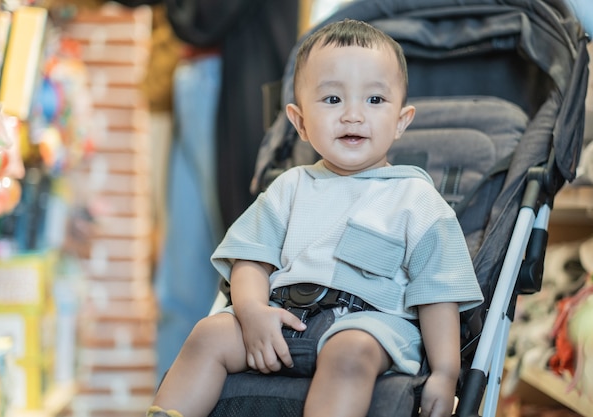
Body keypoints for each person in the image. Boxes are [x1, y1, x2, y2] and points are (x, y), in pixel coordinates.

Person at [146, 19, 484, 417]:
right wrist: (252, 311)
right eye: (332, 100)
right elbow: (250, 259)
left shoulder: (417, 200)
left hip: (369, 325)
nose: (353, 115)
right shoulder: (289, 187)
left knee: (350, 351)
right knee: (209, 334)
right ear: (300, 122)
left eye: (375, 100)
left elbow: (437, 295)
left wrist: (445, 372)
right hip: (281, 319)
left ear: (401, 120)